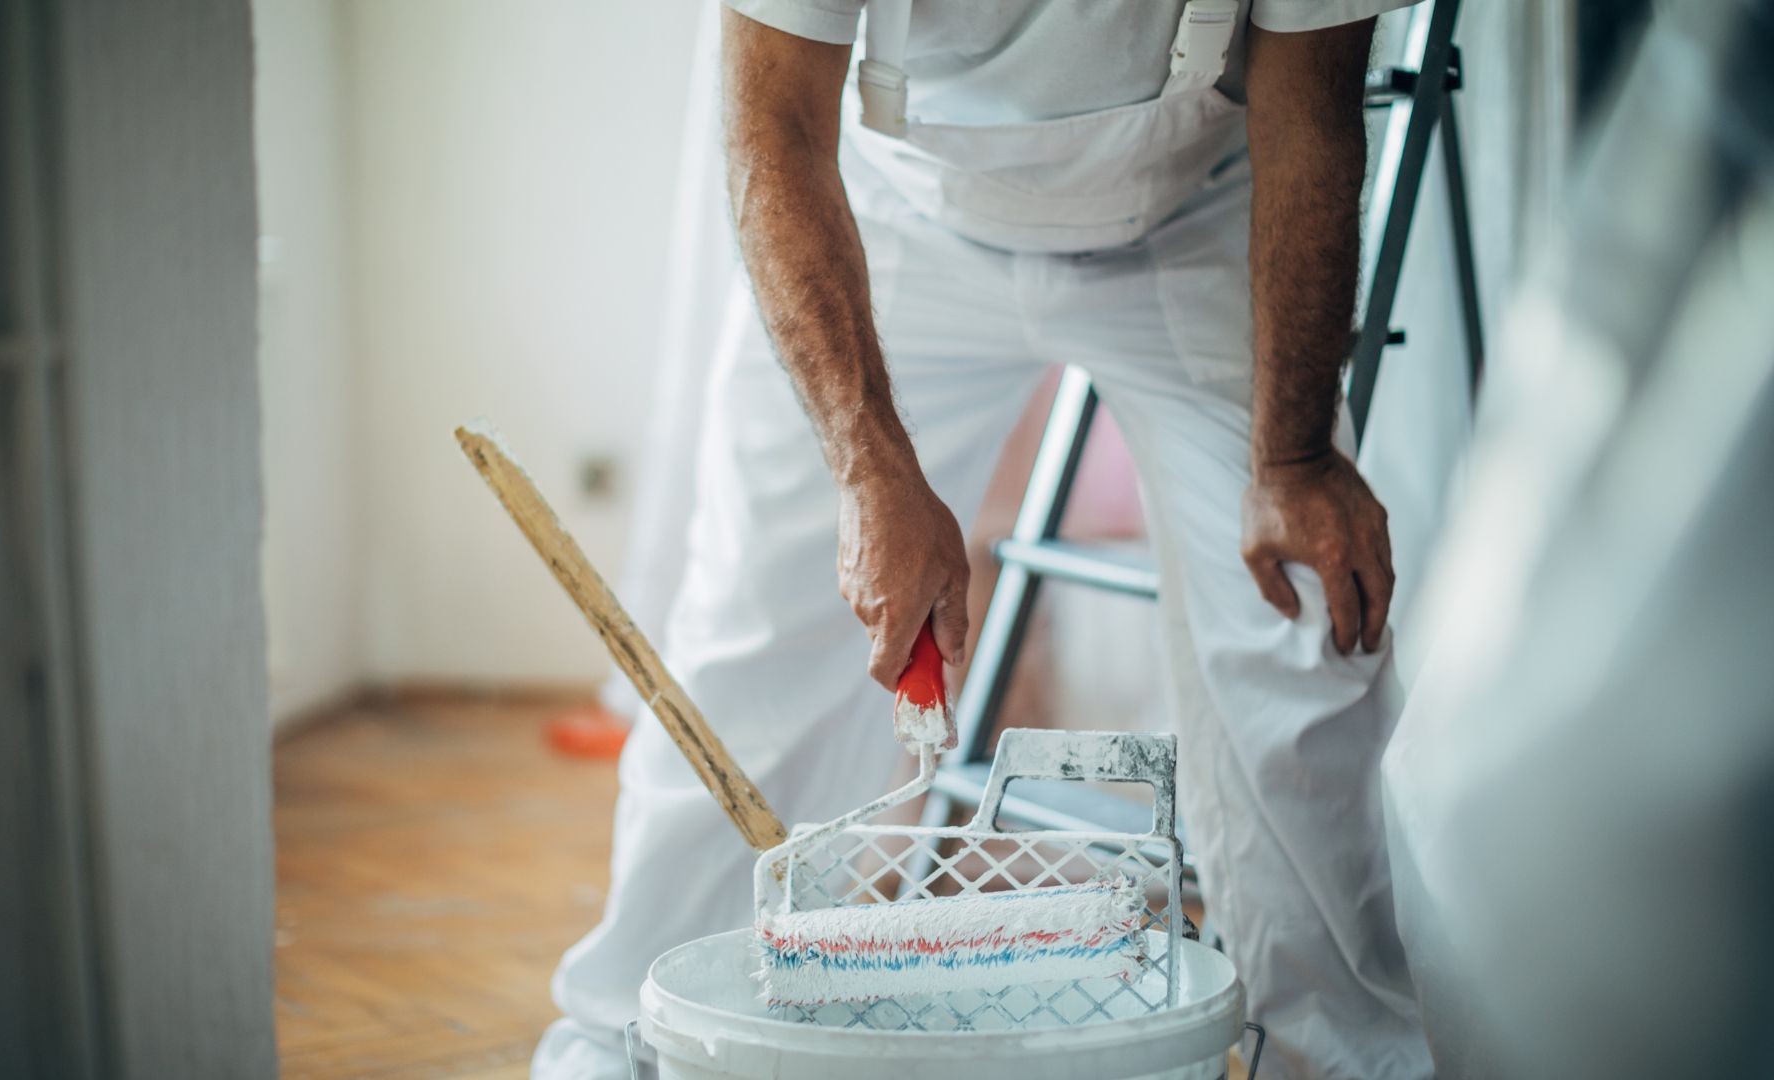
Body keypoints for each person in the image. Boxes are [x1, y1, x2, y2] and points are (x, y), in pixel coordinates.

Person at [534, 1, 1431, 1075]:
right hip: (894, 220)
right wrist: (870, 471)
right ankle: (620, 1035)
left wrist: (1291, 465)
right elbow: (772, 129)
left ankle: (1346, 1058)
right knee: (760, 637)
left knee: (1300, 638)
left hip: (1201, 216)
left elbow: (1314, 111)